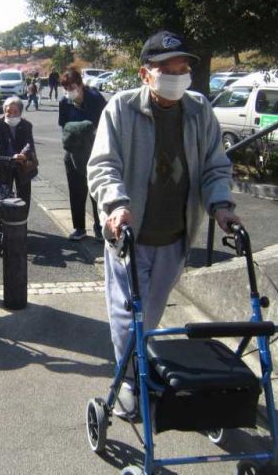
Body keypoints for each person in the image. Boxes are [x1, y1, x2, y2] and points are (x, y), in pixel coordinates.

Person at [87, 30, 240, 418]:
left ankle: (140, 370)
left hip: (174, 236)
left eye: (183, 69)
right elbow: (104, 165)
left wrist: (221, 205)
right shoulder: (121, 109)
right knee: (128, 316)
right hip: (130, 234)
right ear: (145, 74)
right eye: (167, 70)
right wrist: (116, 204)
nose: (177, 76)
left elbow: (215, 166)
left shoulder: (199, 109)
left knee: (150, 317)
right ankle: (129, 382)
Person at [58, 67, 107, 240]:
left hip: (95, 151)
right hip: (73, 151)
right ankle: (79, 228)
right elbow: (64, 126)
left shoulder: (95, 98)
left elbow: (106, 123)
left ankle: (100, 226)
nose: (68, 91)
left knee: (97, 190)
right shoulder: (64, 102)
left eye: (71, 87)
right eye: (65, 88)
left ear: (80, 85)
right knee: (76, 190)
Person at [0, 97, 38, 209]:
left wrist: (23, 154)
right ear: (4, 111)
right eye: (8, 111)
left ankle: (22, 218)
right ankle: (4, 217)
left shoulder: (26, 125)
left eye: (15, 112)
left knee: (24, 195)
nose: (11, 114)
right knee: (4, 193)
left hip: (22, 164)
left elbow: (29, 143)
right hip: (4, 163)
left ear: (20, 112)